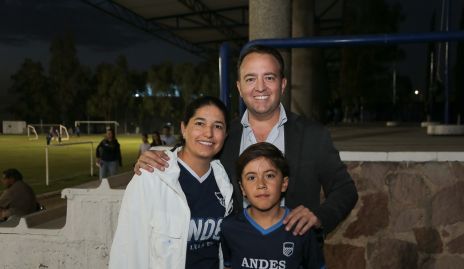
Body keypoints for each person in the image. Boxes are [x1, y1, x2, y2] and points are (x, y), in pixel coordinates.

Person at [135, 45, 358, 237]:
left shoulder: (313, 135)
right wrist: (155, 159)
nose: (260, 87)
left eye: (269, 77)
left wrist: (319, 217)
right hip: (237, 257)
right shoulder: (223, 135)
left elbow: (345, 189)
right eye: (250, 79)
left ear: (282, 84)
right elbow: (187, 153)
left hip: (295, 257)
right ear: (240, 88)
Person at [109, 96, 234, 269]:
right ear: (183, 128)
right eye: (199, 123)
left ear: (226, 134)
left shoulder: (225, 180)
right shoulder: (151, 175)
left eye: (218, 126)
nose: (208, 133)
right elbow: (128, 250)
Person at [221, 142, 325, 269]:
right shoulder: (229, 227)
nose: (261, 184)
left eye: (269, 175)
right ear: (242, 188)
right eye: (251, 177)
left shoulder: (301, 227)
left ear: (284, 183)